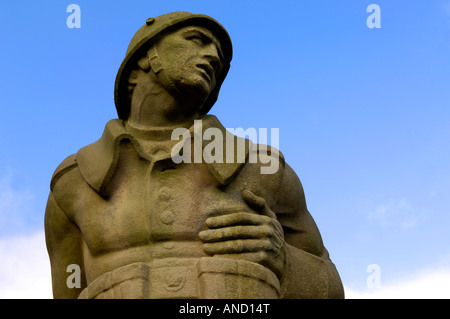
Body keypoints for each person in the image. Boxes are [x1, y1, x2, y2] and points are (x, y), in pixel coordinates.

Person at [45, 11, 344, 299]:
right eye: (197, 40)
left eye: (221, 57)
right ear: (143, 57)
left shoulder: (262, 167)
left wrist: (286, 261)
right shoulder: (73, 183)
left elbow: (332, 290)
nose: (213, 56)